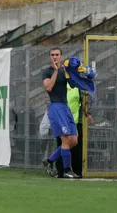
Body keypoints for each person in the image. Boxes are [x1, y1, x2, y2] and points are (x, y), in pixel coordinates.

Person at [41, 47, 80, 178]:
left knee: (74, 141)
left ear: (61, 56)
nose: (55, 57)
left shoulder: (65, 71)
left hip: (65, 106)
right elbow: (49, 87)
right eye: (52, 55)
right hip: (55, 107)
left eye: (57, 55)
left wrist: (79, 74)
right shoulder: (47, 71)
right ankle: (66, 170)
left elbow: (73, 85)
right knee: (66, 140)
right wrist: (56, 71)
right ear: (50, 57)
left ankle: (49, 160)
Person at [54, 83, 95, 178]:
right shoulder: (59, 80)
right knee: (63, 143)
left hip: (76, 120)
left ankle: (75, 171)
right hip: (61, 119)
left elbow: (88, 100)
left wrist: (87, 113)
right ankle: (61, 171)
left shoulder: (80, 82)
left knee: (75, 146)